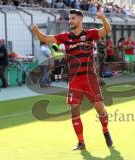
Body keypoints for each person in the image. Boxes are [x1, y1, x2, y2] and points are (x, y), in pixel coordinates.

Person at [31, 9, 112, 150]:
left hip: (89, 78)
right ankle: (81, 142)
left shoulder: (89, 34)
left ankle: (105, 130)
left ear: (80, 20)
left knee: (100, 109)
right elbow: (45, 38)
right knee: (74, 112)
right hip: (74, 80)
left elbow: (106, 30)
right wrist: (37, 32)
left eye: (73, 18)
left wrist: (103, 19)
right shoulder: (64, 37)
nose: (70, 21)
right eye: (70, 18)